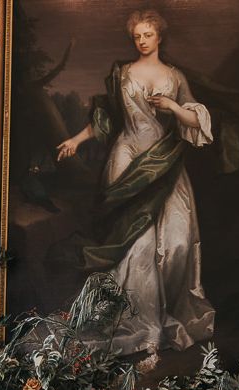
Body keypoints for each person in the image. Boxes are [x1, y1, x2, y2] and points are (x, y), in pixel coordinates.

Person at [55, 9, 215, 357]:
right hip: (127, 160)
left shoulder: (174, 76)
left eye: (148, 34)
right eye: (137, 36)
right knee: (138, 249)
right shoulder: (123, 74)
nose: (142, 41)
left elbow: (196, 119)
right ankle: (145, 325)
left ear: (160, 37)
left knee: (177, 243)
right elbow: (106, 120)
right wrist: (77, 140)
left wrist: (173, 105)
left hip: (166, 161)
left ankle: (161, 312)